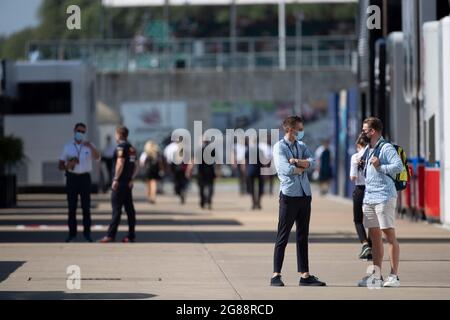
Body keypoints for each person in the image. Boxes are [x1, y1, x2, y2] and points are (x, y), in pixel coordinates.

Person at [270, 116, 326, 287]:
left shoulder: (301, 146)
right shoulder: (279, 147)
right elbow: (285, 170)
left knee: (303, 236)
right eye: (299, 129)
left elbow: (313, 162)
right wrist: (302, 167)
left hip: (304, 195)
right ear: (289, 129)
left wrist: (297, 162)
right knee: (283, 235)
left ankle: (305, 275)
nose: (301, 131)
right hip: (289, 196)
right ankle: (276, 275)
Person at [357, 117, 403, 288]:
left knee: (388, 235)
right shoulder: (369, 149)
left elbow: (398, 166)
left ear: (373, 131)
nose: (363, 133)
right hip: (369, 198)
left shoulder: (386, 147)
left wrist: (380, 166)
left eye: (365, 130)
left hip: (384, 196)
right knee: (375, 238)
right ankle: (377, 276)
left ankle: (394, 276)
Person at [58, 123, 101, 243]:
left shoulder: (89, 145)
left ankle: (87, 234)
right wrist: (69, 165)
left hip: (85, 178)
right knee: (72, 208)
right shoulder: (67, 146)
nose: (80, 134)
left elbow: (98, 158)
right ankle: (72, 234)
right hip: (72, 178)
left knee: (86, 208)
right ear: (74, 130)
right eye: (78, 131)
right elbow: (60, 165)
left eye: (83, 132)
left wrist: (91, 147)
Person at [99, 126, 139, 243]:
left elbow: (120, 162)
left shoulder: (120, 147)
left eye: (116, 134)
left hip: (120, 182)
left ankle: (110, 235)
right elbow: (136, 165)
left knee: (116, 209)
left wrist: (115, 179)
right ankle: (131, 235)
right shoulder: (131, 148)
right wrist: (131, 178)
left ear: (119, 135)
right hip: (127, 183)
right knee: (130, 210)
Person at [349, 134, 372, 261]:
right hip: (371, 189)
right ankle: (371, 249)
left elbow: (353, 177)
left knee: (358, 220)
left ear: (358, 145)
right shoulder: (372, 154)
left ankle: (365, 244)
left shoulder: (355, 157)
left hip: (359, 190)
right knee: (372, 221)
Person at [244, 137, 265, 210]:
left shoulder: (248, 150)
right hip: (259, 170)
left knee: (252, 188)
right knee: (260, 187)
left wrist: (245, 170)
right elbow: (264, 162)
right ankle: (258, 203)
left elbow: (245, 161)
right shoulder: (260, 150)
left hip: (250, 170)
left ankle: (253, 203)